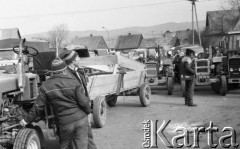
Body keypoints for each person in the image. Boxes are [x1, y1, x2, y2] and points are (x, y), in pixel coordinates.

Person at [20, 58, 91, 149]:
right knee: (81, 145)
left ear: (52, 72)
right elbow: (83, 102)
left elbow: (38, 107)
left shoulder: (45, 86)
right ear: (64, 70)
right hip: (80, 119)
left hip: (65, 122)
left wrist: (26, 120)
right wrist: (88, 112)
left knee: (65, 145)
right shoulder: (74, 82)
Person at [60, 50, 97, 149]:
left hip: (82, 109)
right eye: (77, 58)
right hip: (77, 112)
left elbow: (84, 91)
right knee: (79, 141)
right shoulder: (66, 75)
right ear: (72, 61)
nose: (79, 59)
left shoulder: (77, 71)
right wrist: (88, 111)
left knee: (88, 137)